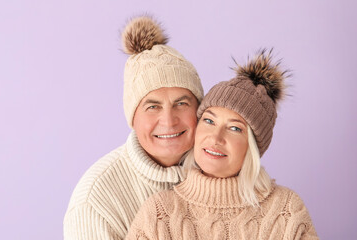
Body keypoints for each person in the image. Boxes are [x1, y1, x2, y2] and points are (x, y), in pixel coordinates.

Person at [126, 49, 319, 239]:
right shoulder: (159, 213)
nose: (215, 138)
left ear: (252, 146)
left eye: (235, 128)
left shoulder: (286, 211)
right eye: (209, 121)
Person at [63, 16, 204, 239]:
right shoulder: (95, 202)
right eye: (153, 106)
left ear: (199, 110)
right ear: (133, 117)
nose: (169, 120)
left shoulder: (221, 170)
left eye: (181, 103)